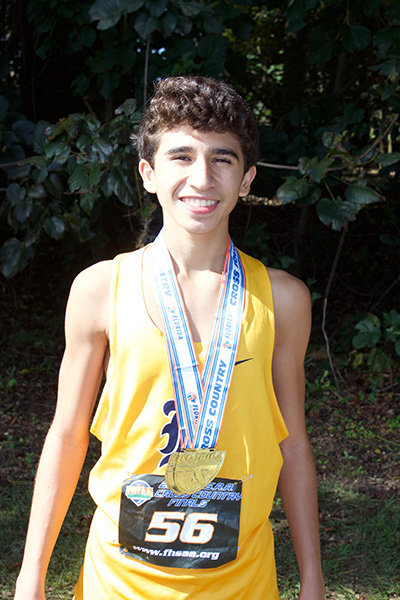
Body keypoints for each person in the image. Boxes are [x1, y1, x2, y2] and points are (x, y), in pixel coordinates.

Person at [14, 75, 324, 600]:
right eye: (181, 156)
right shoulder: (99, 289)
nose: (201, 178)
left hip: (242, 583)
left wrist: (313, 580)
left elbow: (291, 443)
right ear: (148, 174)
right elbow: (67, 435)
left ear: (246, 179)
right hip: (120, 582)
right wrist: (30, 576)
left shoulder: (282, 299)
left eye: (222, 159)